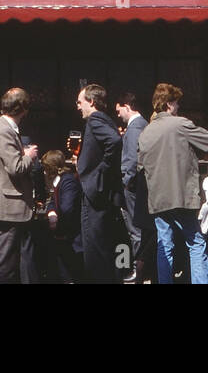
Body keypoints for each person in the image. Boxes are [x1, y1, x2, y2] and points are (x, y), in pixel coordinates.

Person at [136, 82, 208, 285]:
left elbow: (140, 165)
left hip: (158, 199)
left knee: (165, 245)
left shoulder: (146, 132)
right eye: (177, 103)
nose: (178, 107)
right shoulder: (180, 124)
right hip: (182, 196)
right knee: (196, 243)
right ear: (169, 104)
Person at [0, 87, 39, 284]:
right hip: (8, 206)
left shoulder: (1, 128)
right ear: (23, 108)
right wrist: (29, 156)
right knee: (6, 264)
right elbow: (16, 167)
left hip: (8, 205)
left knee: (10, 261)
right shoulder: (4, 130)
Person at [75, 83, 124, 284]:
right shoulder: (106, 120)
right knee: (103, 247)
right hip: (103, 192)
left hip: (96, 193)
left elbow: (114, 141)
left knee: (95, 249)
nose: (77, 106)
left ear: (91, 102)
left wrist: (99, 172)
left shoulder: (95, 120)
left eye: (80, 102)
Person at [116, 91, 151, 283]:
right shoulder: (141, 126)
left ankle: (140, 270)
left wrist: (127, 184)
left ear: (127, 107)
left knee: (136, 229)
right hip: (136, 186)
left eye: (119, 110)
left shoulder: (135, 127)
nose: (118, 114)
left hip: (132, 188)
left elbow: (131, 161)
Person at [41, 149, 83, 283]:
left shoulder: (68, 181)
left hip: (72, 236)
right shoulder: (59, 181)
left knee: (72, 271)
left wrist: (58, 224)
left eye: (46, 168)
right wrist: (51, 212)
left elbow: (67, 209)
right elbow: (53, 201)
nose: (44, 172)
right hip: (63, 233)